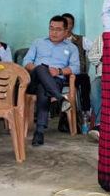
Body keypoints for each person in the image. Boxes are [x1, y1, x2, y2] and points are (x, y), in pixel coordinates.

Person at [23, 15, 80, 147]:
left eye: (58, 29)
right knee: (41, 68)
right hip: (34, 79)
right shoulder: (38, 42)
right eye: (51, 28)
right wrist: (40, 70)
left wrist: (59, 71)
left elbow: (76, 68)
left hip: (55, 81)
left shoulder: (72, 48)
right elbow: (26, 62)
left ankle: (39, 132)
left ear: (66, 31)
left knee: (44, 88)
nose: (54, 32)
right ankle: (60, 98)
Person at [58, 12, 92, 133]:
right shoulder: (55, 41)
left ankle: (85, 112)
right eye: (65, 23)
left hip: (76, 74)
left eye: (69, 24)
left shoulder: (81, 40)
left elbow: (94, 50)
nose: (67, 26)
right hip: (59, 74)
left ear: (73, 25)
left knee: (85, 78)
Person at [87, 34, 104, 140]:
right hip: (102, 75)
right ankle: (99, 124)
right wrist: (103, 57)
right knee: (94, 89)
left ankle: (99, 127)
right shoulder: (101, 38)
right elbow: (91, 57)